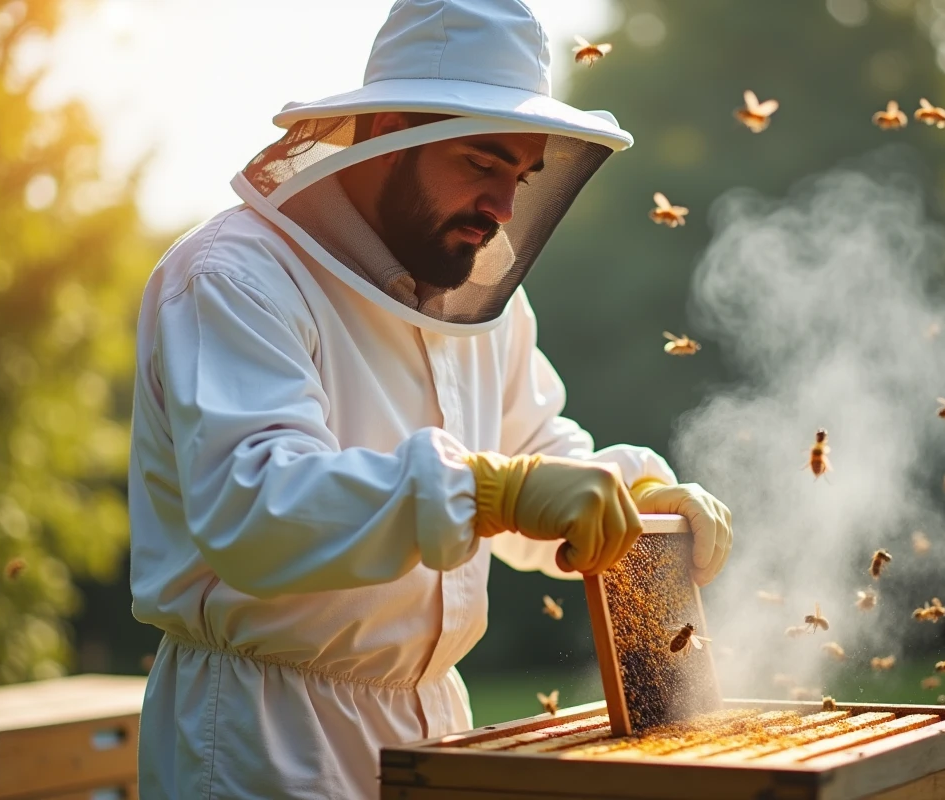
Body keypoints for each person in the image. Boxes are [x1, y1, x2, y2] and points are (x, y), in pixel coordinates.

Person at [127, 0, 733, 797]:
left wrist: (634, 497)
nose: (505, 208)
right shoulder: (234, 278)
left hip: (439, 725)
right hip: (260, 739)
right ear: (387, 137)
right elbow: (255, 507)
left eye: (520, 176)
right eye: (483, 164)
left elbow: (535, 454)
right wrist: (489, 491)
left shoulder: (485, 301)